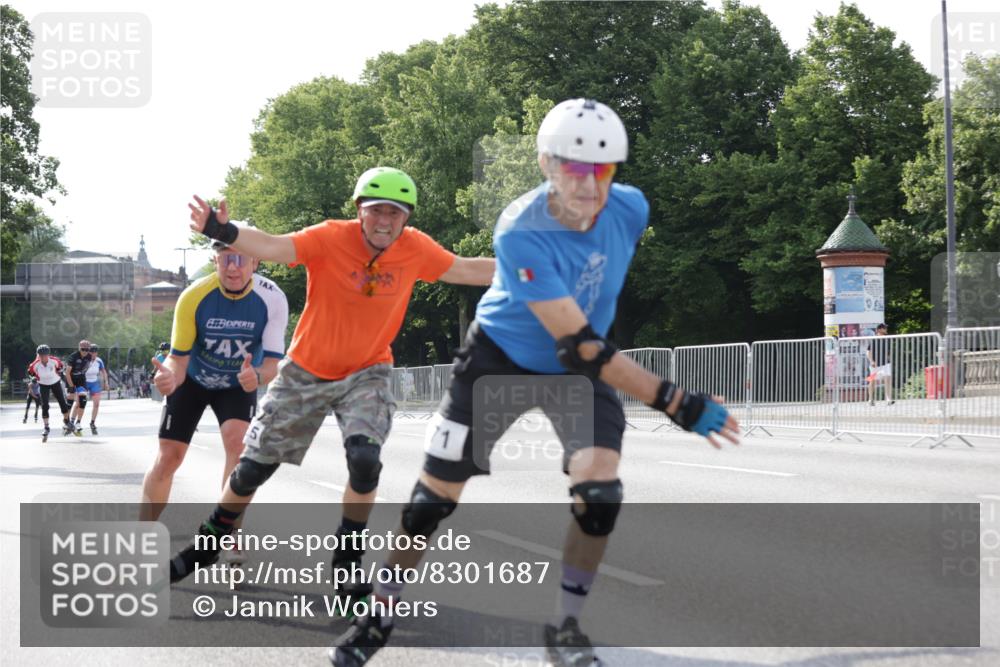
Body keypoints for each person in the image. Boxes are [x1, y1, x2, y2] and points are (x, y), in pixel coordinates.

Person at [330, 100, 740, 667]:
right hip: (501, 356)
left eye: (602, 170)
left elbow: (589, 332)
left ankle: (565, 628)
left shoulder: (631, 208)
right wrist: (675, 401)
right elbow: (582, 345)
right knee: (431, 503)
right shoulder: (520, 230)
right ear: (547, 164)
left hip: (576, 370)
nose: (589, 186)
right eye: (574, 168)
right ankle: (380, 610)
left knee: (600, 496)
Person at [167, 167, 495, 594]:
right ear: (359, 211)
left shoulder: (415, 248)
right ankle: (209, 543)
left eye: (395, 214)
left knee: (365, 460)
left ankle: (347, 563)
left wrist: (537, 270)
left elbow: (466, 269)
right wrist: (221, 230)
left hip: (368, 371)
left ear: (407, 218)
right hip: (306, 370)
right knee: (251, 471)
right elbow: (272, 245)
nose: (384, 222)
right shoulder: (329, 238)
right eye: (376, 211)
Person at [141, 225, 290, 573]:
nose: (233, 267)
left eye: (241, 259)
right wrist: (168, 377)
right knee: (169, 457)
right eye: (225, 259)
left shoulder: (273, 298)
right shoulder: (194, 296)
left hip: (239, 380)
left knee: (238, 447)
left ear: (255, 261)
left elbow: (273, 364)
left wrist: (259, 377)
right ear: (215, 260)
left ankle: (231, 535)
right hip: (193, 379)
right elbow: (177, 359)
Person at [27, 345, 76, 440]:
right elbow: (31, 373)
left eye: (44, 355)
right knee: (45, 405)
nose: (43, 357)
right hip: (43, 384)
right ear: (38, 355)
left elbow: (61, 369)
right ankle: (46, 427)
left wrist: (62, 375)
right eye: (40, 355)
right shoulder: (34, 365)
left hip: (55, 383)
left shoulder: (54, 361)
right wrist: (33, 378)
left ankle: (67, 421)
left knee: (62, 403)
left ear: (48, 355)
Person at [64, 339, 90, 435]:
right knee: (70, 401)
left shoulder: (89, 356)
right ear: (79, 348)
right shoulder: (73, 357)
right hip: (70, 378)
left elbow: (86, 368)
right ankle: (67, 422)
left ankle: (78, 422)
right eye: (83, 349)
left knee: (83, 399)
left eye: (87, 350)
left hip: (81, 379)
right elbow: (67, 373)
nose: (85, 352)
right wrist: (71, 386)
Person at [867, 323, 894, 406]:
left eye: (885, 328)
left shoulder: (887, 339)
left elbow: (888, 352)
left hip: (885, 363)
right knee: (872, 381)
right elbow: (868, 352)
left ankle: (888, 399)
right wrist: (871, 361)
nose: (886, 329)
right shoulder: (874, 339)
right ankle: (870, 399)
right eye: (884, 328)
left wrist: (888, 359)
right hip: (875, 364)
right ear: (879, 329)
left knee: (888, 378)